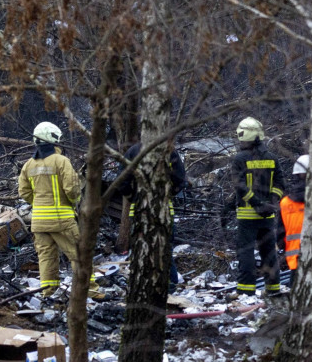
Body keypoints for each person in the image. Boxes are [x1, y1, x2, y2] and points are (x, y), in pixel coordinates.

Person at [18, 122, 100, 300]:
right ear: (54, 139)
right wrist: (73, 202)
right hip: (61, 219)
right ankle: (91, 291)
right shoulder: (61, 161)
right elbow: (72, 189)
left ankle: (48, 293)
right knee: (79, 254)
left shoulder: (28, 165)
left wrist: (39, 204)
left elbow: (24, 192)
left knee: (46, 258)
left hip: (38, 221)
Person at [224, 118, 284, 297]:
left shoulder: (240, 159)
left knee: (246, 252)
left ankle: (245, 290)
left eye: (241, 137)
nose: (240, 141)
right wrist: (272, 203)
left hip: (247, 215)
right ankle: (273, 288)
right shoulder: (272, 158)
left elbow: (240, 187)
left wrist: (257, 203)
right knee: (268, 252)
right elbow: (280, 184)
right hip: (268, 216)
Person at [118, 140, 187, 288]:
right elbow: (181, 179)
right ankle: (170, 287)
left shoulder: (132, 152)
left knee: (141, 251)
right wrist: (167, 194)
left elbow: (121, 182)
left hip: (139, 212)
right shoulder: (169, 151)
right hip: (164, 211)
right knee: (165, 249)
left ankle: (143, 288)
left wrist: (134, 197)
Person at [279, 155, 308, 290]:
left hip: (294, 258)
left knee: (296, 295)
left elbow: (280, 232)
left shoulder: (285, 203)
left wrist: (282, 250)